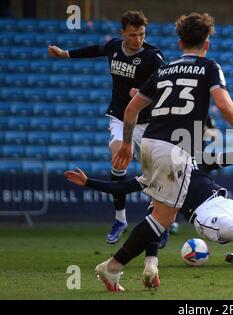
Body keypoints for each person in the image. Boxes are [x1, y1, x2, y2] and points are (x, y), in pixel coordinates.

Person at [94, 12, 233, 291]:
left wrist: (125, 143)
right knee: (163, 219)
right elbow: (222, 101)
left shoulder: (164, 68)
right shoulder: (209, 67)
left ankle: (129, 266)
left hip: (148, 144)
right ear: (207, 44)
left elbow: (131, 109)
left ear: (180, 43)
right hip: (176, 150)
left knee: (158, 214)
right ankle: (112, 266)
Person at [65, 126, 233, 291]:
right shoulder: (153, 175)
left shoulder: (198, 159)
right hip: (204, 214)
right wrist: (88, 182)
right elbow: (121, 188)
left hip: (226, 202)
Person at [48, 11, 165, 244]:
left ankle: (159, 223)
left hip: (147, 122)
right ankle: (120, 218)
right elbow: (94, 50)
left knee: (154, 174)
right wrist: (66, 54)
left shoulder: (153, 56)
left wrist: (145, 91)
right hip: (119, 117)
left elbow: (165, 82)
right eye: (133, 35)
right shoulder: (113, 47)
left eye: (142, 34)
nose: (138, 39)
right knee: (117, 153)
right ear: (123, 33)